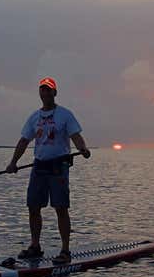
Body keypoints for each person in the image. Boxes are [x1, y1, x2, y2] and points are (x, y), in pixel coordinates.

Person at [6, 77, 91, 264]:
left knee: (61, 207)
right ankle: (35, 246)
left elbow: (76, 136)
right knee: (33, 207)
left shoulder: (65, 115)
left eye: (48, 90)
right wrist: (13, 163)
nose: (45, 93)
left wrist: (82, 149)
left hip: (59, 168)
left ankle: (65, 250)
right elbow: (23, 141)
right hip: (39, 167)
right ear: (39, 93)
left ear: (55, 93)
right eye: (42, 90)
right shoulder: (34, 117)